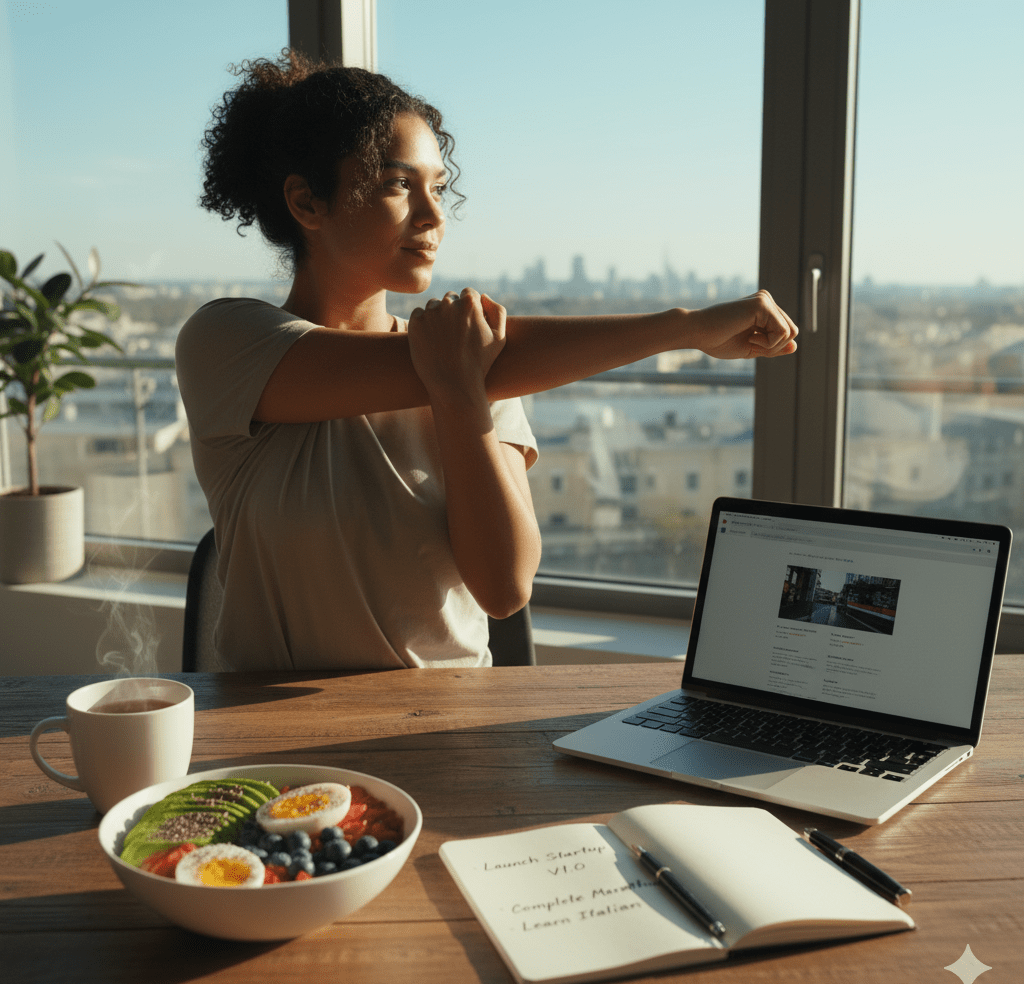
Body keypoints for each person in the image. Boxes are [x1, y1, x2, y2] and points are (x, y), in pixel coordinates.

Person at [175, 50, 798, 673]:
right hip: (273, 726)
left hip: (447, 719)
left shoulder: (479, 364)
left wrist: (463, 394)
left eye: (438, 188)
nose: (434, 216)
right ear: (307, 202)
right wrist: (683, 328)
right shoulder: (225, 342)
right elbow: (414, 367)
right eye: (399, 185)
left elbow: (504, 589)